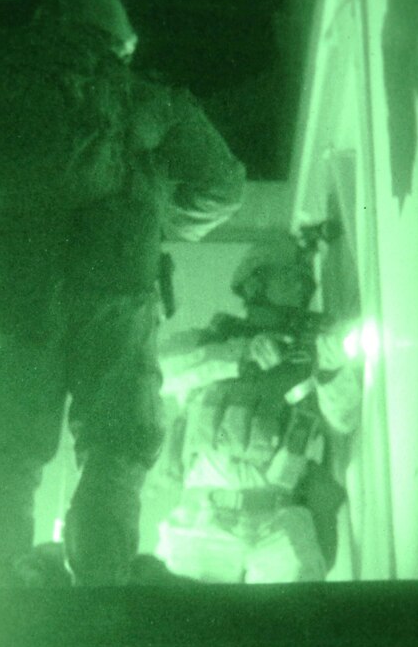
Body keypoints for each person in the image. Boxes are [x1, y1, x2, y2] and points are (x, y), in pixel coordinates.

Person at [0, 0, 246, 587]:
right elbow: (222, 187)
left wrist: (17, 266)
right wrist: (159, 211)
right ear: (118, 40)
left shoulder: (0, 90)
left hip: (22, 297)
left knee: (7, 448)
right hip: (115, 289)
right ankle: (101, 582)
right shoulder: (140, 97)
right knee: (116, 444)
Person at [153, 238, 361, 583]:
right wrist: (240, 355)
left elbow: (344, 419)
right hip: (202, 519)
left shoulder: (311, 352)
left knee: (295, 624)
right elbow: (156, 371)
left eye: (303, 279)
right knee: (181, 619)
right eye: (287, 277)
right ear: (255, 283)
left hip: (281, 517)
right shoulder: (211, 342)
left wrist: (331, 370)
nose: (300, 286)